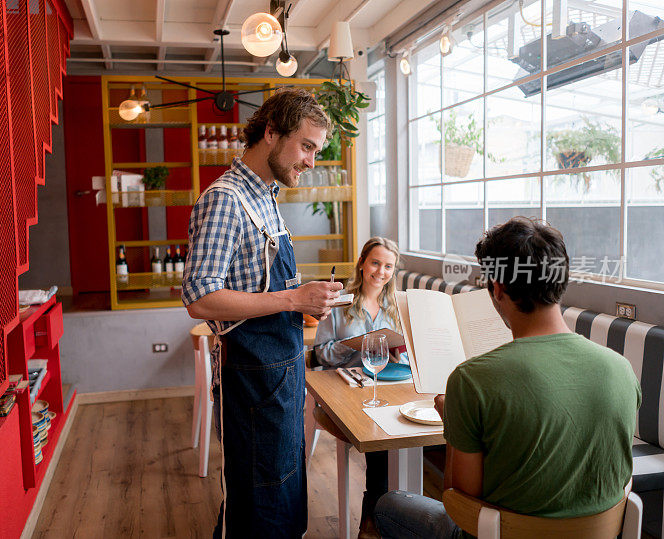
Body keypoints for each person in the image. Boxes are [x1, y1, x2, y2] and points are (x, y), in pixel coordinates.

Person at [373, 217, 641, 539]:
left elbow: (459, 503)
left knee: (388, 506)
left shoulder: (471, 380)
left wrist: (452, 422)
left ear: (498, 289)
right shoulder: (621, 369)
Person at [182, 87, 344, 538]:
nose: (311, 161)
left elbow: (258, 286)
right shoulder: (226, 200)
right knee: (256, 504)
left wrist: (307, 301)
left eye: (316, 149)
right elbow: (199, 296)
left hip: (282, 377)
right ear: (271, 132)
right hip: (252, 381)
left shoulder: (265, 196)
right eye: (307, 146)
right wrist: (293, 299)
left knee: (280, 497)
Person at [312, 236, 405, 538]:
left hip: (385, 386)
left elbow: (402, 351)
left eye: (388, 266)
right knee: (382, 442)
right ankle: (372, 523)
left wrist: (398, 351)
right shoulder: (341, 302)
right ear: (363, 263)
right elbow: (320, 353)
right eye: (376, 263)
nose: (381, 271)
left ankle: (387, 520)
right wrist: (353, 347)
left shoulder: (396, 305)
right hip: (344, 389)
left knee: (400, 435)